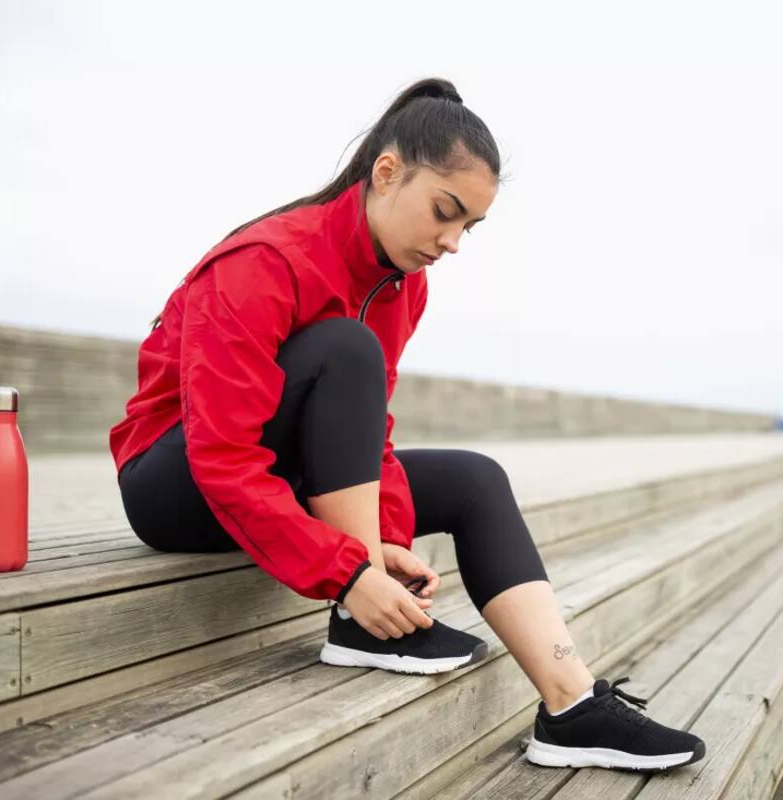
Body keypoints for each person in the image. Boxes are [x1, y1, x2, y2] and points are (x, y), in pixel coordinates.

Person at [110, 77, 705, 772]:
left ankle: (572, 705)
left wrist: (386, 538)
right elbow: (222, 457)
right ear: (386, 173)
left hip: (278, 472)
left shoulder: (400, 282)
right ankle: (358, 624)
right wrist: (350, 572)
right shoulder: (264, 262)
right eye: (445, 212)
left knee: (476, 481)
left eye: (469, 227)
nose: (453, 242)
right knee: (345, 346)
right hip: (171, 481)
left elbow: (368, 436)